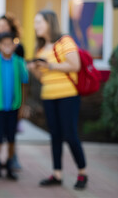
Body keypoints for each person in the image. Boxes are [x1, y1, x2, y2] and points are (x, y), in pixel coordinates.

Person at [27, 10, 87, 190]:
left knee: (70, 135)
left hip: (68, 96)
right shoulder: (40, 48)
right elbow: (43, 78)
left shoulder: (65, 41)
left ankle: (82, 173)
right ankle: (57, 174)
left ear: (49, 22)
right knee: (55, 136)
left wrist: (49, 65)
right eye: (35, 22)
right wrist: (34, 68)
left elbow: (75, 65)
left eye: (39, 22)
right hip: (49, 96)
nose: (36, 26)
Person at [0, 32, 29, 180]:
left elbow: (24, 83)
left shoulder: (18, 62)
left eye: (9, 44)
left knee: (11, 138)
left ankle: (10, 164)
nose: (7, 47)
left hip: (13, 107)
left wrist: (22, 106)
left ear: (14, 45)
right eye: (3, 44)